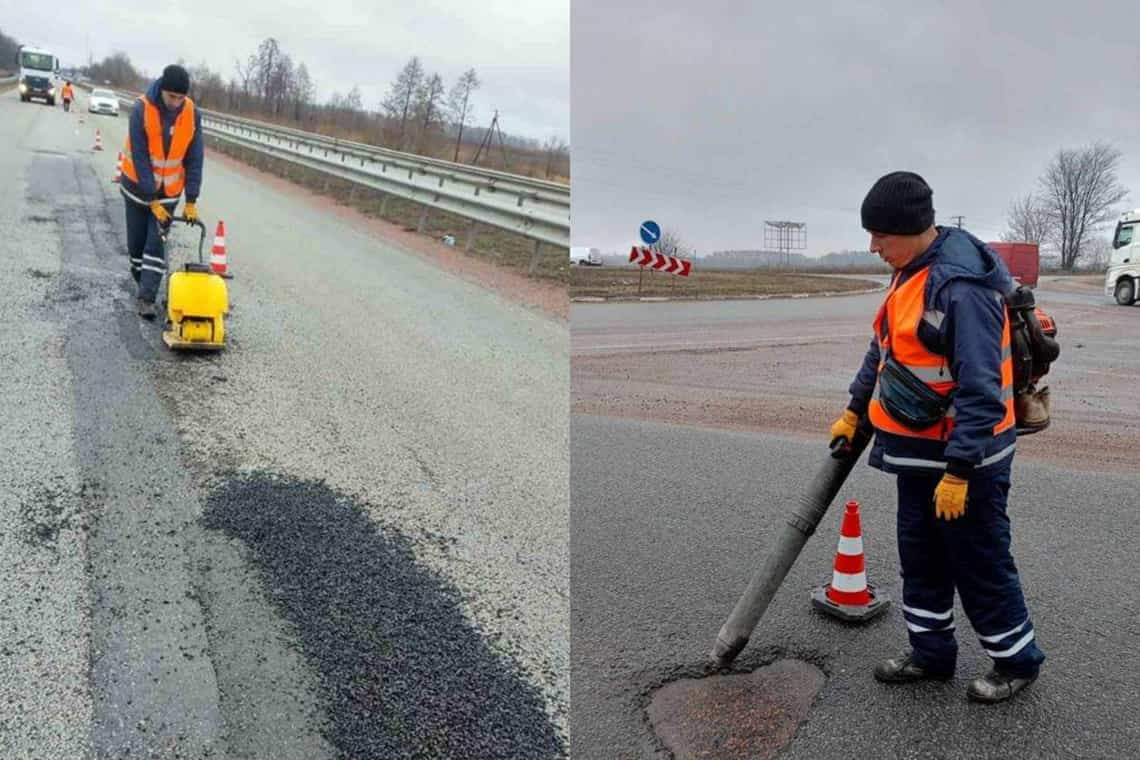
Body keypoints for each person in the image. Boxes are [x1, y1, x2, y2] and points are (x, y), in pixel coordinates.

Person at [829, 171, 1045, 703]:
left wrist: (959, 470)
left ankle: (1016, 661)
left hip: (964, 461)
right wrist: (855, 411)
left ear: (911, 228)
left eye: (881, 234)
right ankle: (930, 655)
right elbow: (883, 351)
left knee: (980, 562)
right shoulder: (910, 272)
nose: (873, 246)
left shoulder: (960, 287)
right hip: (917, 454)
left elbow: (980, 389)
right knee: (920, 557)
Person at [118, 64, 204, 319]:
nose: (176, 103)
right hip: (136, 188)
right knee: (136, 247)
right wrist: (149, 198)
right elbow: (141, 158)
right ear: (162, 89)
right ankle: (140, 279)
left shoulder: (191, 113)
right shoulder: (141, 109)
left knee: (155, 244)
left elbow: (195, 157)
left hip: (168, 193)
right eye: (171, 97)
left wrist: (191, 199)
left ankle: (147, 297)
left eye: (181, 98)